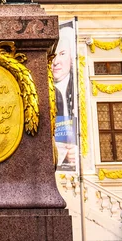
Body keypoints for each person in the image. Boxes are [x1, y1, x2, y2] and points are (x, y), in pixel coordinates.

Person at [52, 32, 76, 167]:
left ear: (71, 57)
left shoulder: (77, 84)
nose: (56, 62)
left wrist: (78, 152)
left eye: (62, 54)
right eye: (52, 56)